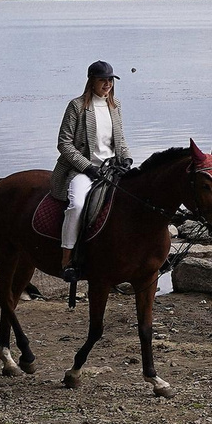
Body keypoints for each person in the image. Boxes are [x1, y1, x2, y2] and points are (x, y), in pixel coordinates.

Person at [53, 60, 132, 277]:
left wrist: (127, 159)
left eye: (110, 80)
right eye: (102, 80)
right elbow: (64, 144)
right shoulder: (76, 107)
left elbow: (120, 139)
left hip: (111, 169)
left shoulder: (115, 106)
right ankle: (67, 258)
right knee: (77, 205)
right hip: (83, 171)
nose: (107, 84)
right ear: (92, 81)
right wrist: (87, 167)